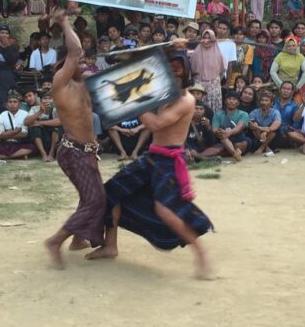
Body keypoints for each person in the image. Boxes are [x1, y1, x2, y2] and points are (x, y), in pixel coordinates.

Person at [86, 50, 214, 279]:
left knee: (165, 210)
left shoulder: (187, 100)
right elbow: (141, 71)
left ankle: (202, 255)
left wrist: (132, 98)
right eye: (171, 66)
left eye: (179, 67)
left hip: (169, 161)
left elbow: (155, 124)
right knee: (111, 192)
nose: (174, 70)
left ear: (186, 73)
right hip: (151, 156)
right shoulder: (164, 92)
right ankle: (110, 245)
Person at [44, 9, 106, 268]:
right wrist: (64, 21)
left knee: (89, 194)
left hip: (87, 150)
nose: (82, 63)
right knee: (95, 199)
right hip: (73, 150)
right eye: (76, 63)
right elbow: (75, 51)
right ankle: (56, 240)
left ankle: (78, 239)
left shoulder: (84, 84)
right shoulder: (61, 84)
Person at [0, 91, 36, 159]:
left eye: (15, 102)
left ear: (20, 104)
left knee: (32, 147)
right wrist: (15, 131)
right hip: (6, 144)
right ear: (6, 105)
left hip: (20, 143)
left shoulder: (25, 114)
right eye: (10, 102)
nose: (12, 104)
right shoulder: (2, 115)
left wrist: (7, 133)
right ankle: (19, 155)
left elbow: (24, 134)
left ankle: (6, 157)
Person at [190, 30, 224, 112]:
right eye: (204, 38)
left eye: (209, 38)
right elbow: (192, 70)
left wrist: (212, 82)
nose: (206, 40)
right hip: (199, 85)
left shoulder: (218, 54)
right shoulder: (196, 52)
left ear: (213, 39)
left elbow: (221, 72)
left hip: (214, 86)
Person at [0, 25, 20, 107]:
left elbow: (13, 62)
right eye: (2, 33)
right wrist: (7, 64)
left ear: (9, 35)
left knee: (11, 107)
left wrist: (7, 47)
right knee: (0, 106)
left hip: (10, 84)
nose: (4, 35)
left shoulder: (13, 49)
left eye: (6, 33)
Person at [24, 90, 61, 162]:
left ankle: (51, 153)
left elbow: (60, 121)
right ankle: (43, 154)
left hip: (53, 137)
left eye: (50, 98)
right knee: (33, 128)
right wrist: (40, 111)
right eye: (45, 98)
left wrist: (40, 122)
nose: (47, 101)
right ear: (40, 101)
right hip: (41, 136)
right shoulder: (35, 108)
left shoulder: (56, 109)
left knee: (57, 128)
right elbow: (26, 122)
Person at [248, 90, 281, 156]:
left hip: (271, 138)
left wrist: (265, 132)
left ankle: (262, 148)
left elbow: (276, 125)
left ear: (271, 103)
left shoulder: (275, 112)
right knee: (255, 126)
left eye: (266, 100)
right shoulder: (254, 112)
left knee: (275, 129)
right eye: (262, 100)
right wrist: (260, 128)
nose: (263, 102)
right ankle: (266, 147)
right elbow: (250, 125)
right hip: (257, 139)